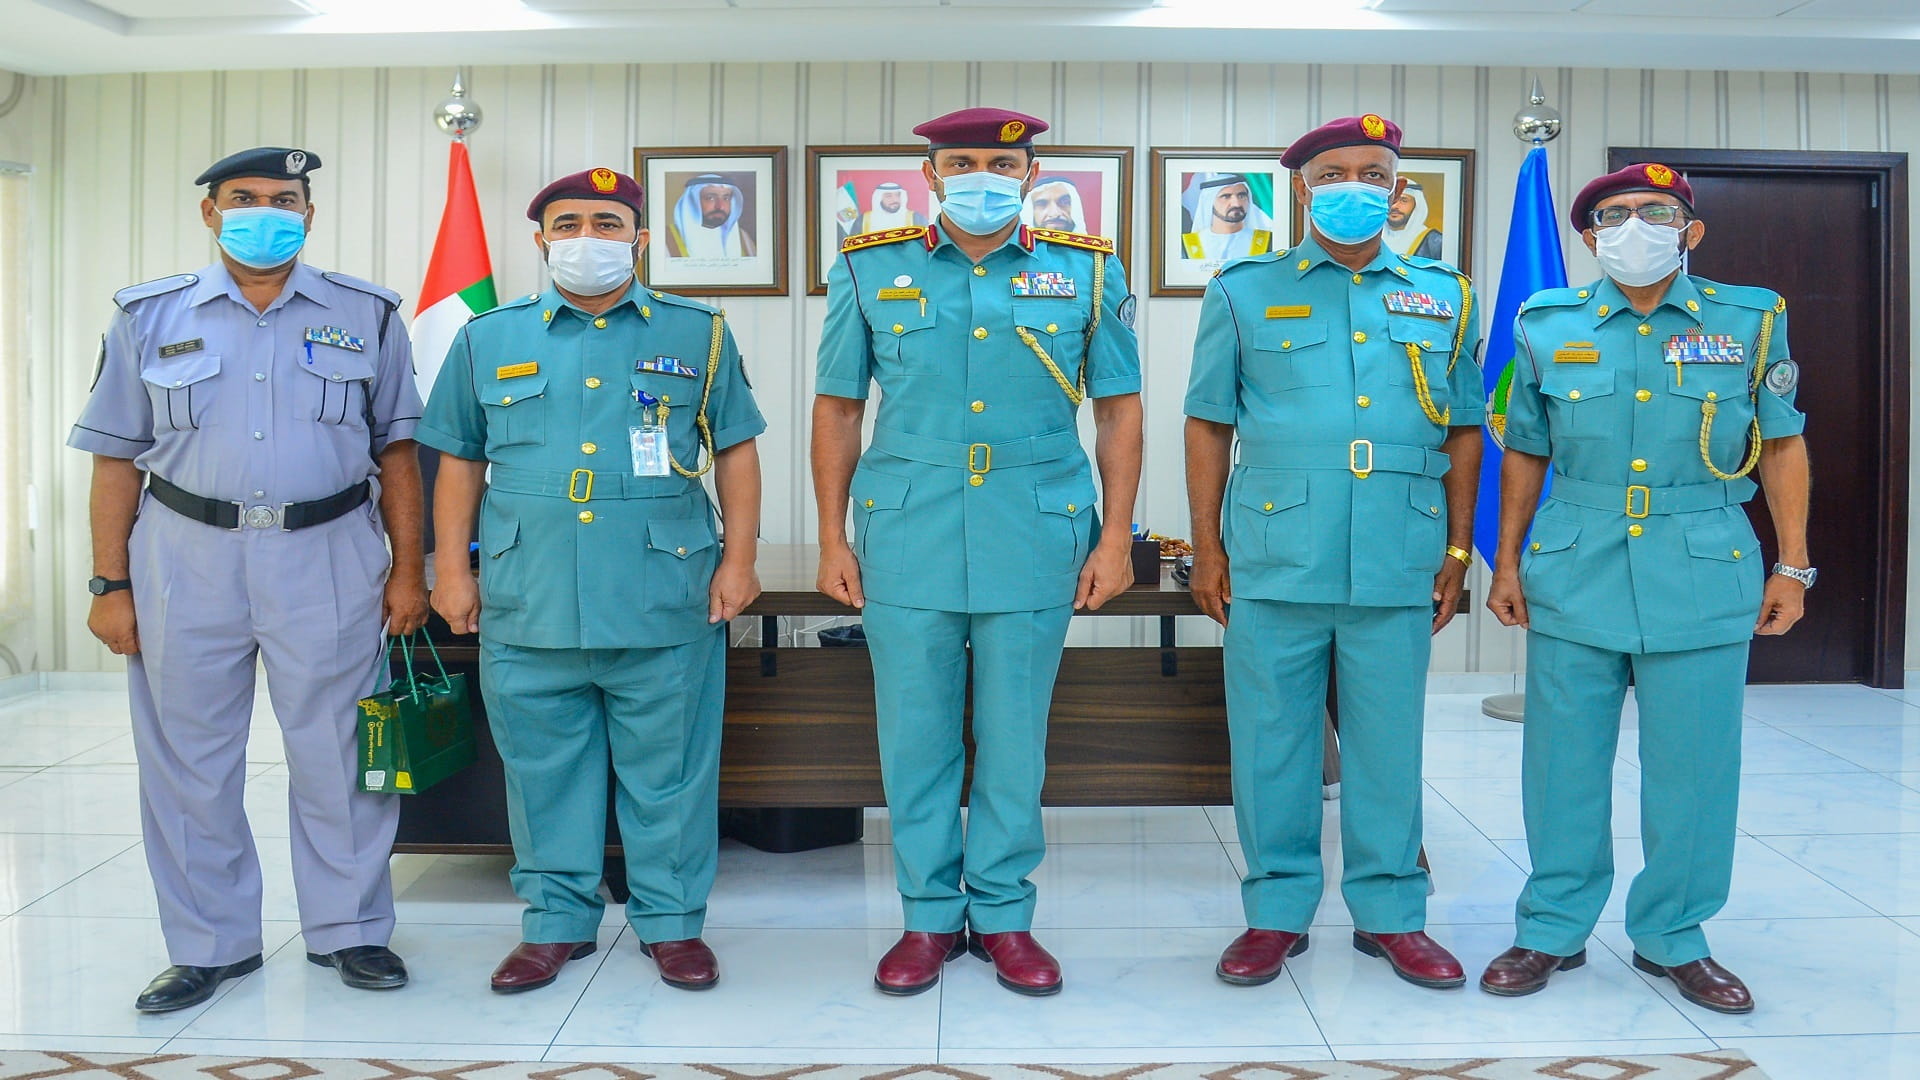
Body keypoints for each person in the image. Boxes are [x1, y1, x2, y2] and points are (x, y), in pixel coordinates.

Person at [69, 146, 427, 1012]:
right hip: (184, 555)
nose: (265, 213)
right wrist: (108, 584)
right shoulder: (147, 315)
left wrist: (408, 572)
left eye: (283, 199)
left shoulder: (368, 314)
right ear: (210, 212)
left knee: (339, 754)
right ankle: (210, 945)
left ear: (309, 214)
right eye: (244, 198)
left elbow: (399, 452)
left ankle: (350, 931)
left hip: (329, 550)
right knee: (188, 761)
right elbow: (114, 458)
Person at [813, 107, 1143, 998]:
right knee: (915, 736)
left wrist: (1117, 536)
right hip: (908, 526)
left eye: (1002, 162)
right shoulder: (868, 266)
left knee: (1014, 737)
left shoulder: (1088, 268)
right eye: (960, 162)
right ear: (931, 175)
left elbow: (1118, 410)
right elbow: (839, 408)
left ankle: (1002, 915)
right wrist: (831, 536)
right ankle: (927, 916)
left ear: (1031, 174)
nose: (981, 177)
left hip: (1034, 524)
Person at [418, 166, 765, 995]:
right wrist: (450, 569)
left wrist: (740, 560)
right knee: (542, 772)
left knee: (670, 772)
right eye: (568, 224)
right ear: (541, 241)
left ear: (639, 240)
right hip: (527, 591)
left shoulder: (700, 332)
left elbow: (737, 450)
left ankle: (672, 924)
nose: (587, 239)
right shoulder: (488, 336)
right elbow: (459, 461)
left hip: (662, 588)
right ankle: (555, 923)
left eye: (607, 224)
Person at [1479, 163, 1812, 1015]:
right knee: (1561, 766)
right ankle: (1553, 927)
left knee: (1694, 770)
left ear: (1690, 230)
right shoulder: (1545, 322)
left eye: (1655, 212)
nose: (1633, 227)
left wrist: (1794, 565)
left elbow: (1781, 444)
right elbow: (1525, 450)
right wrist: (1506, 562)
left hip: (1701, 564)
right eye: (1613, 215)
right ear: (1590, 239)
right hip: (1576, 564)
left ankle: (1674, 935)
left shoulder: (1750, 320)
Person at [1183, 114, 1483, 991]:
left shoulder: (1445, 294)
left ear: (1398, 188)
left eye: (1374, 173)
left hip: (1398, 548)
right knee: (1272, 743)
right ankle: (1276, 914)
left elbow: (1466, 428)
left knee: (1388, 746)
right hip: (1277, 549)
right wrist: (1207, 547)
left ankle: (1391, 916)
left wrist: (1458, 548)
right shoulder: (1241, 290)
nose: (1357, 186)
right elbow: (1208, 423)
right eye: (1335, 173)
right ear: (1302, 189)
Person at [1180, 173, 1274, 262]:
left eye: (1241, 196)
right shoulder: (1186, 245)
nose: (1236, 203)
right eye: (1226, 196)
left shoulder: (1268, 241)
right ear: (1209, 202)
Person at [666, 173, 757, 259]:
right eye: (711, 198)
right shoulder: (666, 238)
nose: (720, 206)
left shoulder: (743, 238)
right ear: (692, 202)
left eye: (726, 198)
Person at [1384, 178, 1443, 260]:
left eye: (1403, 200)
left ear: (1416, 206)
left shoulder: (1435, 241)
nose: (1394, 206)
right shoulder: (1372, 236)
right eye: (1391, 200)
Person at [859, 181, 927, 233]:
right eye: (888, 196)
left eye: (897, 195)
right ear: (879, 199)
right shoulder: (864, 220)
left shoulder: (916, 218)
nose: (895, 200)